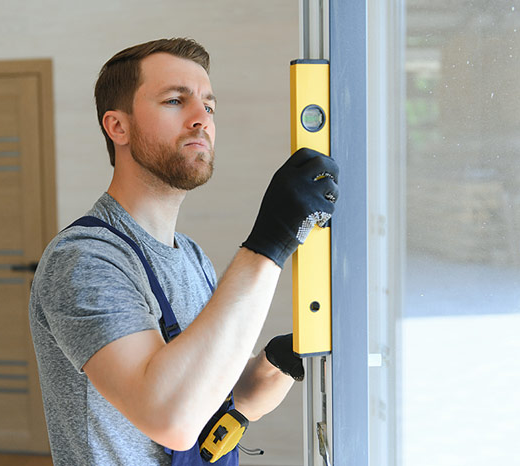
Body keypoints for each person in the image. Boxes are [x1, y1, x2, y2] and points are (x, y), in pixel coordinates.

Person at [29, 37, 339, 466]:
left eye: (209, 107)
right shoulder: (85, 259)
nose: (201, 119)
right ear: (117, 126)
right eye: (176, 101)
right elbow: (170, 416)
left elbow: (215, 391)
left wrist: (278, 362)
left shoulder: (191, 256)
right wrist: (272, 241)